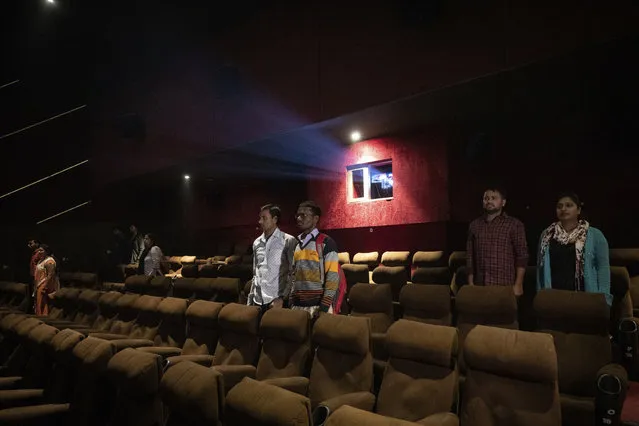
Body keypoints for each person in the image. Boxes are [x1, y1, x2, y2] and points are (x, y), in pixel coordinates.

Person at [536, 192, 612, 305]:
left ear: (578, 210)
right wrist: (540, 296)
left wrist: (604, 299)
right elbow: (540, 269)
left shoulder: (595, 235)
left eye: (569, 205)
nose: (563, 209)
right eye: (559, 206)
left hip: (585, 298)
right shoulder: (546, 235)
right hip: (554, 297)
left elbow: (603, 268)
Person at [466, 187, 528, 296]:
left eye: (493, 198)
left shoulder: (514, 224)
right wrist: (471, 283)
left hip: (505, 286)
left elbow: (522, 256)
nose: (489, 201)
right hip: (480, 286)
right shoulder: (474, 225)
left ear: (503, 202)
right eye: (486, 198)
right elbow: (470, 257)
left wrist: (519, 284)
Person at [289, 200, 339, 318]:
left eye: (304, 215)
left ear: (316, 219)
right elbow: (293, 275)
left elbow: (332, 278)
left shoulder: (326, 243)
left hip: (317, 307)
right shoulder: (297, 244)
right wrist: (291, 300)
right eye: (297, 215)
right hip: (297, 306)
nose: (299, 219)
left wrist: (324, 307)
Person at [247, 204, 297, 313]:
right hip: (257, 300)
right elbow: (256, 273)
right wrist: (250, 298)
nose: (260, 221)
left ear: (274, 219)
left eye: (264, 218)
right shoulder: (256, 242)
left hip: (276, 302)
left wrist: (283, 298)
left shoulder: (288, 241)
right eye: (260, 218)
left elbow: (293, 273)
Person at [34, 245, 59, 316]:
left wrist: (45, 286)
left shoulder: (50, 261)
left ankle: (43, 319)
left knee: (43, 303)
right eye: (38, 250)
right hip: (39, 284)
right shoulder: (41, 260)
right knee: (38, 304)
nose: (39, 252)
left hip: (44, 284)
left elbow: (51, 275)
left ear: (46, 251)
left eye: (41, 250)